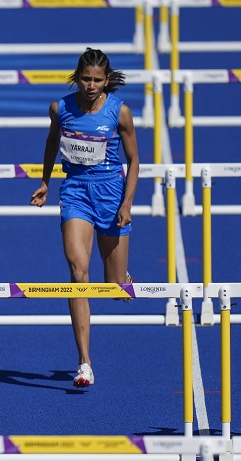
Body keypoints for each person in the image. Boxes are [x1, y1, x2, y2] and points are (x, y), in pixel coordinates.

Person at [30, 48, 140, 388]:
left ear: (107, 80)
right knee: (78, 273)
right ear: (77, 77)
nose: (90, 85)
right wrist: (46, 181)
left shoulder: (119, 112)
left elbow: (135, 160)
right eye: (85, 78)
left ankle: (123, 277)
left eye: (97, 80)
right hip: (75, 191)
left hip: (111, 194)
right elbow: (51, 143)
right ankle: (84, 363)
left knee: (114, 286)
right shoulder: (59, 109)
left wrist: (128, 203)